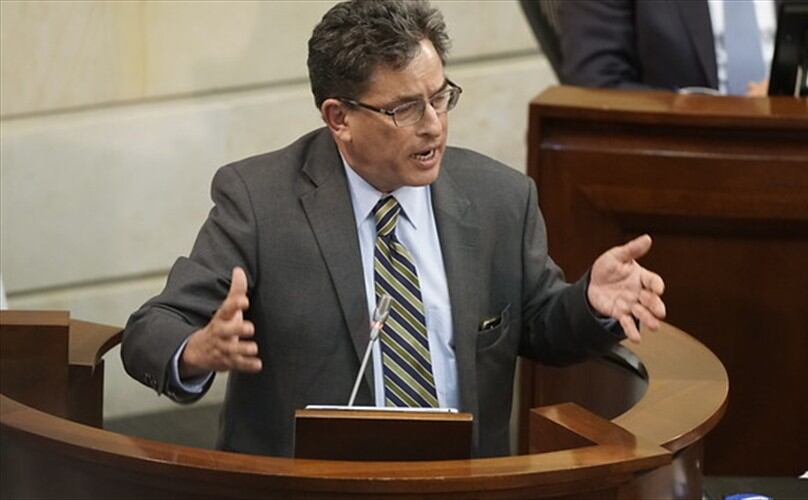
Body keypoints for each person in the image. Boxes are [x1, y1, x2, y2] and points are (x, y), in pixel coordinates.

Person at [121, 0, 666, 459]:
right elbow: (153, 328)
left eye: (439, 96)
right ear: (339, 118)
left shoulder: (501, 197)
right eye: (404, 108)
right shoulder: (260, 201)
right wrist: (196, 349)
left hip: (462, 484)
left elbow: (542, 324)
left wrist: (591, 303)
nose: (433, 123)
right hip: (307, 489)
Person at [558, 0, 779, 96]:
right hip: (678, 156)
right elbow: (593, 82)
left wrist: (788, 92)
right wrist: (713, 109)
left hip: (803, 142)